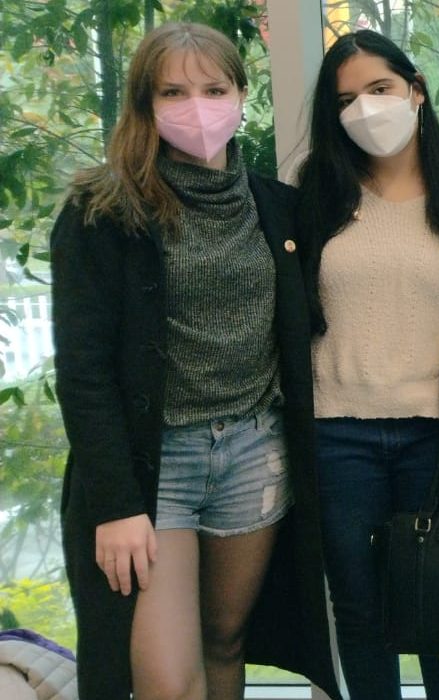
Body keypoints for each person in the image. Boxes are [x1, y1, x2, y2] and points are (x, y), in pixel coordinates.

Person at [50, 21, 338, 699]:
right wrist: (115, 506)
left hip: (255, 453)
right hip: (156, 467)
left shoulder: (278, 207)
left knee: (226, 642)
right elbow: (83, 371)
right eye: (173, 92)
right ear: (144, 104)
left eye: (214, 89)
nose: (198, 107)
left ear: (241, 95)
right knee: (167, 679)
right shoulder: (101, 211)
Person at [292, 29, 439, 699]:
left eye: (380, 88)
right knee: (360, 610)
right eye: (347, 100)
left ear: (416, 90)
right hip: (337, 434)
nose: (366, 109)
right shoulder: (316, 191)